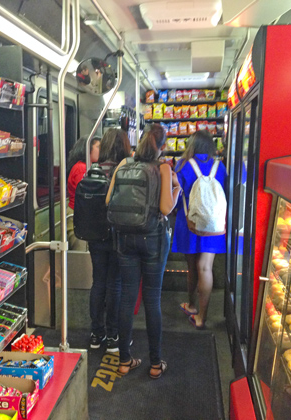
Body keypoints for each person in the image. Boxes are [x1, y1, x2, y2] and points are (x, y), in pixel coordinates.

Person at [106, 123, 181, 379]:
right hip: (152, 239)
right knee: (152, 299)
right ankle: (155, 363)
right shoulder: (162, 168)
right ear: (163, 146)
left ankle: (125, 361)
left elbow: (109, 201)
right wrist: (176, 188)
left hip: (124, 238)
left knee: (127, 297)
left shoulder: (124, 164)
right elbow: (165, 209)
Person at [173, 130, 227, 330]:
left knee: (191, 267)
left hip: (189, 222)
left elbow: (176, 195)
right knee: (205, 267)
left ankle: (192, 305)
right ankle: (201, 318)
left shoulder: (182, 165)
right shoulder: (220, 166)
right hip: (214, 223)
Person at [88, 128, 132, 352]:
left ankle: (96, 335)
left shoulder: (92, 171)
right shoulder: (126, 171)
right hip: (117, 234)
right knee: (115, 284)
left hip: (95, 235)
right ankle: (113, 336)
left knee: (98, 283)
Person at [67, 136, 100, 251]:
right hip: (79, 216)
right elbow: (86, 195)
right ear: (87, 149)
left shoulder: (87, 166)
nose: (101, 150)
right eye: (98, 147)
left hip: (81, 214)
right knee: (80, 253)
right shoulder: (82, 168)